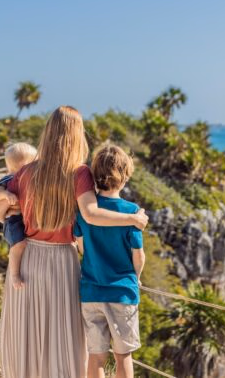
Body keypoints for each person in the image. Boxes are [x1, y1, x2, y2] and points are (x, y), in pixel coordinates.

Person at [0, 106, 148, 378]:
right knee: (62, 334)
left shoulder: (26, 172)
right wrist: (133, 220)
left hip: (29, 257)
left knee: (28, 331)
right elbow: (90, 213)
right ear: (77, 135)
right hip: (62, 259)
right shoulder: (79, 173)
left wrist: (13, 207)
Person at [73, 145, 145, 378]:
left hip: (91, 291)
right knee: (123, 355)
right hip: (121, 292)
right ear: (124, 176)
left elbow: (81, 246)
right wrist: (138, 276)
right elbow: (138, 254)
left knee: (96, 356)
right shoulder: (131, 211)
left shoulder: (83, 211)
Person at [0, 142, 37, 289]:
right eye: (34, 163)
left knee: (24, 244)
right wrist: (6, 194)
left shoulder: (30, 180)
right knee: (19, 245)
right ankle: (14, 275)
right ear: (24, 165)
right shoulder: (9, 178)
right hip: (13, 221)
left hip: (21, 219)